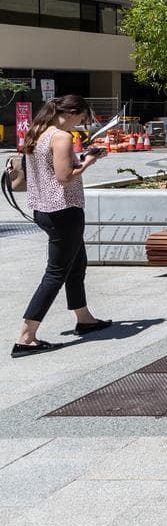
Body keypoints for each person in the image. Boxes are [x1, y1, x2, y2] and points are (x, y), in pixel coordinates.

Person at [12, 95, 111, 358]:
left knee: (76, 264)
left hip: (43, 209)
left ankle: (84, 318)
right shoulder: (61, 137)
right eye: (81, 118)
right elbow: (65, 177)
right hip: (63, 211)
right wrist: (89, 161)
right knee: (55, 273)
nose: (80, 124)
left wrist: (79, 159)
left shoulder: (37, 131)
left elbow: (49, 168)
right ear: (70, 112)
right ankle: (26, 336)